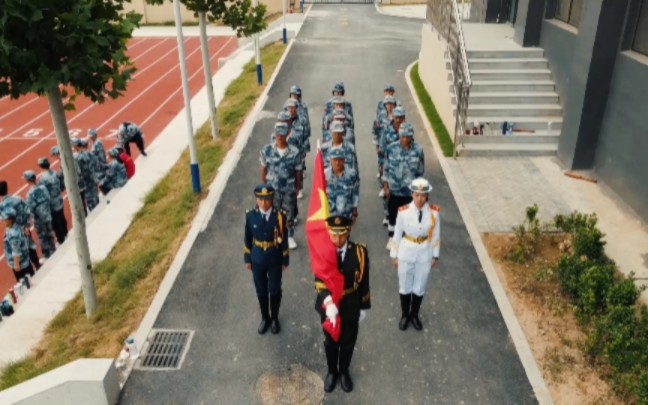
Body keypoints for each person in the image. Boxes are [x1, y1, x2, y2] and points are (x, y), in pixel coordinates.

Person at [314, 215, 370, 393]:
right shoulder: (323, 251)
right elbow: (318, 281)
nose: (337, 240)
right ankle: (332, 371)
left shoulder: (359, 252)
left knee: (348, 341)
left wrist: (364, 305)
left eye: (342, 235)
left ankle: (344, 371)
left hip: (350, 302)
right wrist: (328, 302)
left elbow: (364, 281)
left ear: (348, 232)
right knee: (330, 342)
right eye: (333, 235)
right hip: (329, 305)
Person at [390, 178, 440, 331]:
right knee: (405, 286)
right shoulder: (403, 212)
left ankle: (414, 315)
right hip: (406, 251)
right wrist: (395, 255)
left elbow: (436, 235)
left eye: (423, 195)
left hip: (424, 251)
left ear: (427, 196)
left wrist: (435, 255)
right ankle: (405, 314)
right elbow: (397, 234)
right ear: (412, 194)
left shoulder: (433, 213)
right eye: (417, 195)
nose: (419, 199)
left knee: (420, 286)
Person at [244, 184, 289, 335]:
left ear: (272, 199)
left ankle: (275, 318)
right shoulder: (251, 216)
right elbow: (248, 238)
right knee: (261, 290)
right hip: (257, 258)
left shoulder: (280, 216)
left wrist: (285, 259)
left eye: (267, 200)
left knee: (275, 290)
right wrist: (247, 258)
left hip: (274, 257)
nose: (264, 203)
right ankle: (265, 318)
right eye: (261, 200)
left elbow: (284, 239)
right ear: (257, 200)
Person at [260, 122, 303, 250]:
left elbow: (298, 172)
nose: (280, 137)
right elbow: (264, 169)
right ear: (274, 134)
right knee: (272, 213)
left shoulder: (295, 152)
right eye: (278, 134)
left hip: (289, 188)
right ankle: (272, 236)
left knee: (289, 213)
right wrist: (264, 187)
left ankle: (289, 236)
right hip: (272, 188)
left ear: (288, 134)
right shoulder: (267, 151)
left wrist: (297, 187)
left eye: (283, 134)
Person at [383, 123, 424, 249]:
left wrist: (419, 191)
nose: (405, 139)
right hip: (395, 189)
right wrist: (386, 185)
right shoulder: (391, 148)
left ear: (412, 136)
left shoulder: (418, 150)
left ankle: (407, 240)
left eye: (408, 136)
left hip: (410, 192)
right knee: (393, 216)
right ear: (399, 135)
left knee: (410, 217)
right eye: (403, 136)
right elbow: (386, 168)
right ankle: (392, 239)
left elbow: (420, 171)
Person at [0, 180, 41, 270]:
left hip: (13, 231)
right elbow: (27, 211)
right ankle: (37, 264)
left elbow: (4, 220)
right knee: (30, 246)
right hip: (24, 228)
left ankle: (27, 272)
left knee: (18, 250)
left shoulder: (2, 206)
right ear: (7, 188)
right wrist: (26, 226)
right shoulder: (18, 199)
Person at [24, 170, 56, 258]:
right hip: (47, 214)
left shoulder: (30, 194)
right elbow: (48, 198)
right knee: (49, 233)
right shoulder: (43, 187)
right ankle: (53, 249)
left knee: (42, 237)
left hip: (39, 219)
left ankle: (47, 254)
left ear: (28, 180)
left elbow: (30, 208)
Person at [37, 157, 68, 244]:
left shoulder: (42, 179)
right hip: (59, 199)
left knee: (56, 221)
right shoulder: (54, 173)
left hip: (51, 203)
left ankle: (61, 238)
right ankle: (65, 232)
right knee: (61, 216)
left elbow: (43, 193)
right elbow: (61, 185)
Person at [326, 148, 359, 222]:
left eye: (340, 160)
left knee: (345, 233)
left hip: (346, 213)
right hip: (330, 214)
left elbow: (355, 192)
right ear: (331, 160)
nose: (337, 163)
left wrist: (355, 209)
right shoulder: (324, 175)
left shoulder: (352, 174)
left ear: (344, 160)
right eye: (335, 160)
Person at [2, 208, 35, 283]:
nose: (3, 221)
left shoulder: (13, 235)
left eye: (4, 219)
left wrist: (16, 264)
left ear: (10, 220)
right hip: (24, 261)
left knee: (26, 284)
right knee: (30, 278)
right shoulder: (15, 226)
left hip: (21, 264)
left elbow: (16, 251)